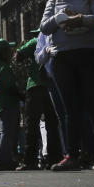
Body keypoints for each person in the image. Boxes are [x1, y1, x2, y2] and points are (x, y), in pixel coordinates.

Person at [39, 0, 94, 171]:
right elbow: (44, 27)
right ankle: (71, 154)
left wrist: (81, 19)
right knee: (71, 108)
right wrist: (61, 17)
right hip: (62, 57)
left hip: (88, 53)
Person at [14, 33, 60, 170]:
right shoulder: (55, 39)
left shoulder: (34, 41)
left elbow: (18, 56)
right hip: (51, 86)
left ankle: (30, 161)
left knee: (31, 125)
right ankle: (54, 158)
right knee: (52, 124)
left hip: (35, 86)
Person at [0, 39, 21, 170]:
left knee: (3, 131)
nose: (11, 52)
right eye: (9, 50)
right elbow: (9, 85)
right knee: (6, 131)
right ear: (3, 53)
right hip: (6, 101)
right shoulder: (2, 66)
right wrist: (22, 95)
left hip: (1, 102)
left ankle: (2, 159)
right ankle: (4, 160)